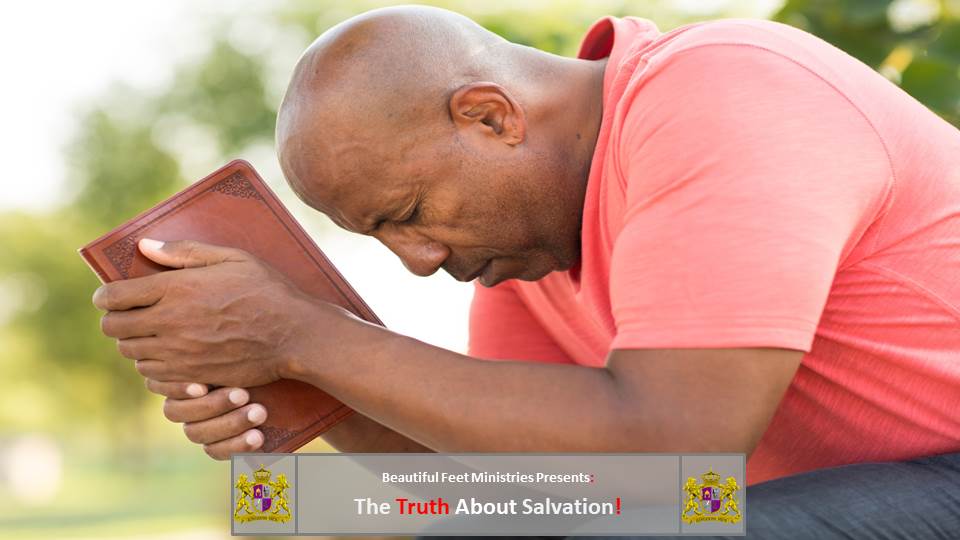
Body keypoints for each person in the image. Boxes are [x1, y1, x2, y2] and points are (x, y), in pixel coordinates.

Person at [91, 5, 960, 538]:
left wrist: (304, 333)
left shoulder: (726, 93)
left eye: (407, 214)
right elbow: (511, 493)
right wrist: (297, 381)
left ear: (490, 116)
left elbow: (673, 452)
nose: (421, 262)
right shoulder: (534, 244)